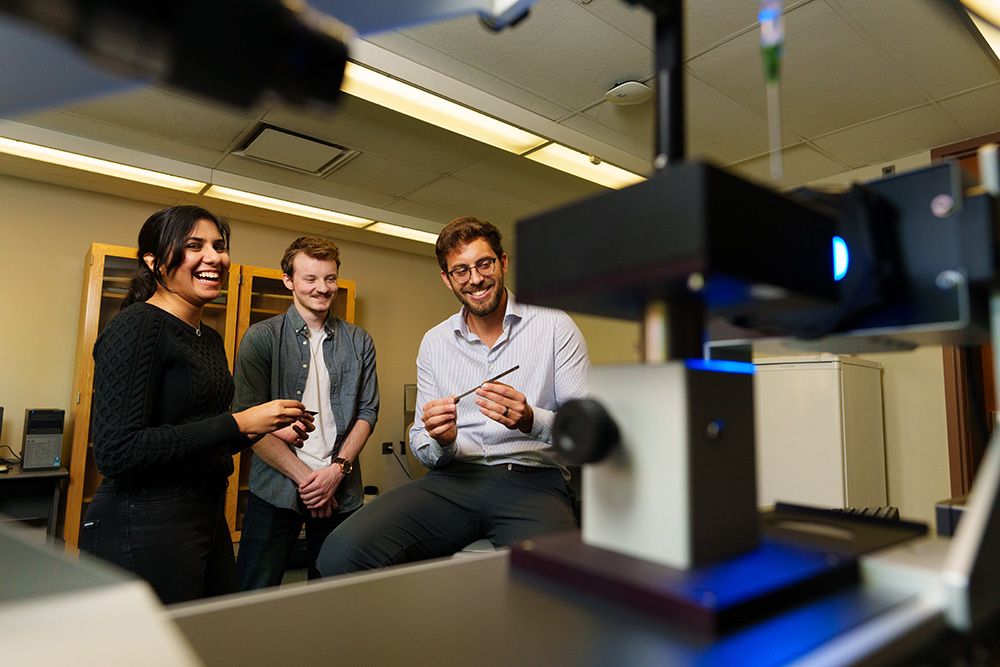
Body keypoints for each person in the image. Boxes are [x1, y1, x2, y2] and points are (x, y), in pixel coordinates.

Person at [317, 216, 589, 576]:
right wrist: (441, 441)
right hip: (454, 481)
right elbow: (420, 442)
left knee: (566, 581)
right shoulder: (435, 342)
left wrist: (530, 420)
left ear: (503, 262)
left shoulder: (554, 326)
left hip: (533, 482)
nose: (475, 279)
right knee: (340, 553)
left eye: (484, 264)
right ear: (447, 279)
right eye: (460, 270)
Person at [80, 205, 310, 605]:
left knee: (213, 640)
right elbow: (118, 451)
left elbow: (202, 440)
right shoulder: (138, 325)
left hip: (203, 513)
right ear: (154, 262)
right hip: (145, 520)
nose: (213, 257)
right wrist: (238, 423)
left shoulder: (209, 339)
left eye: (219, 246)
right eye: (193, 246)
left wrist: (259, 427)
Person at [234, 237, 379, 589]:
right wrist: (306, 479)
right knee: (254, 591)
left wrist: (334, 473)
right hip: (276, 488)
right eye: (310, 278)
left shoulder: (359, 341)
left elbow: (367, 411)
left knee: (333, 594)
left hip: (340, 487)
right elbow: (246, 420)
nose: (322, 288)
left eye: (329, 278)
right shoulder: (260, 339)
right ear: (289, 281)